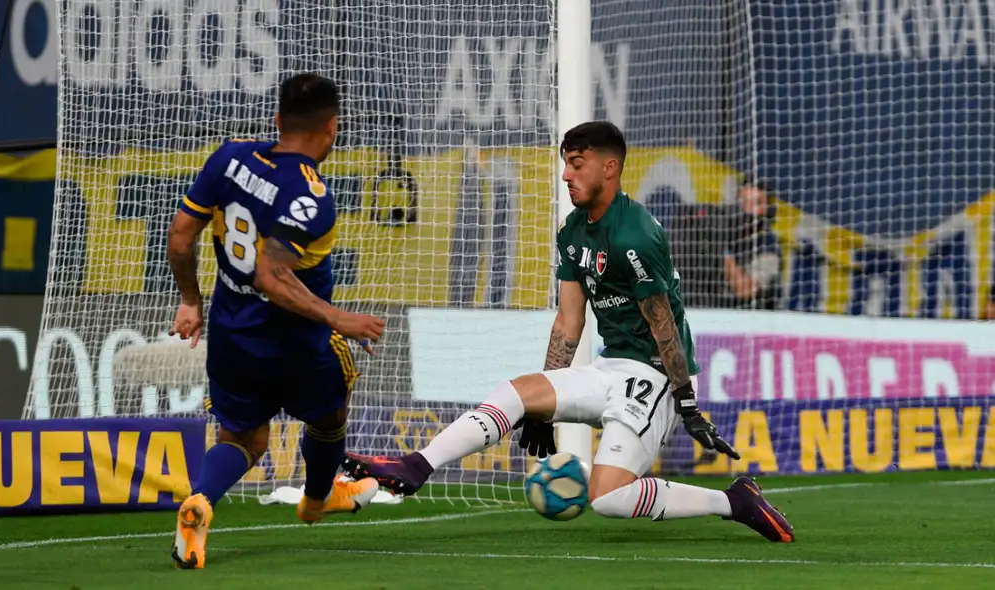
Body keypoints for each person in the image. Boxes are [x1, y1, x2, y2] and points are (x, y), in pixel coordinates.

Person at [343, 121, 794, 542]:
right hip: (611, 365)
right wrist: (543, 410)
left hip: (656, 374)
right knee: (515, 393)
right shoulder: (573, 230)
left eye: (577, 164)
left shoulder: (634, 235)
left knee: (608, 498)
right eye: (565, 164)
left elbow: (664, 324)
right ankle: (415, 466)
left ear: (609, 168)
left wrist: (687, 403)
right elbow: (569, 320)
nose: (565, 175)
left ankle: (734, 501)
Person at [165, 73, 386, 569]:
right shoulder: (312, 197)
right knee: (329, 414)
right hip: (297, 342)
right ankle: (317, 499)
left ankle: (199, 501)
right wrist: (339, 318)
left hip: (230, 331)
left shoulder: (230, 157)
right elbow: (271, 276)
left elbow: (180, 235)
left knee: (244, 438)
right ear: (331, 128)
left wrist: (191, 302)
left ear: (277, 119)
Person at [721, 176, 782, 310]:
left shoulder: (769, 246)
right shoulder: (727, 233)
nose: (747, 208)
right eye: (744, 201)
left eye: (756, 203)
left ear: (768, 210)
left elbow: (744, 290)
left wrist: (724, 253)